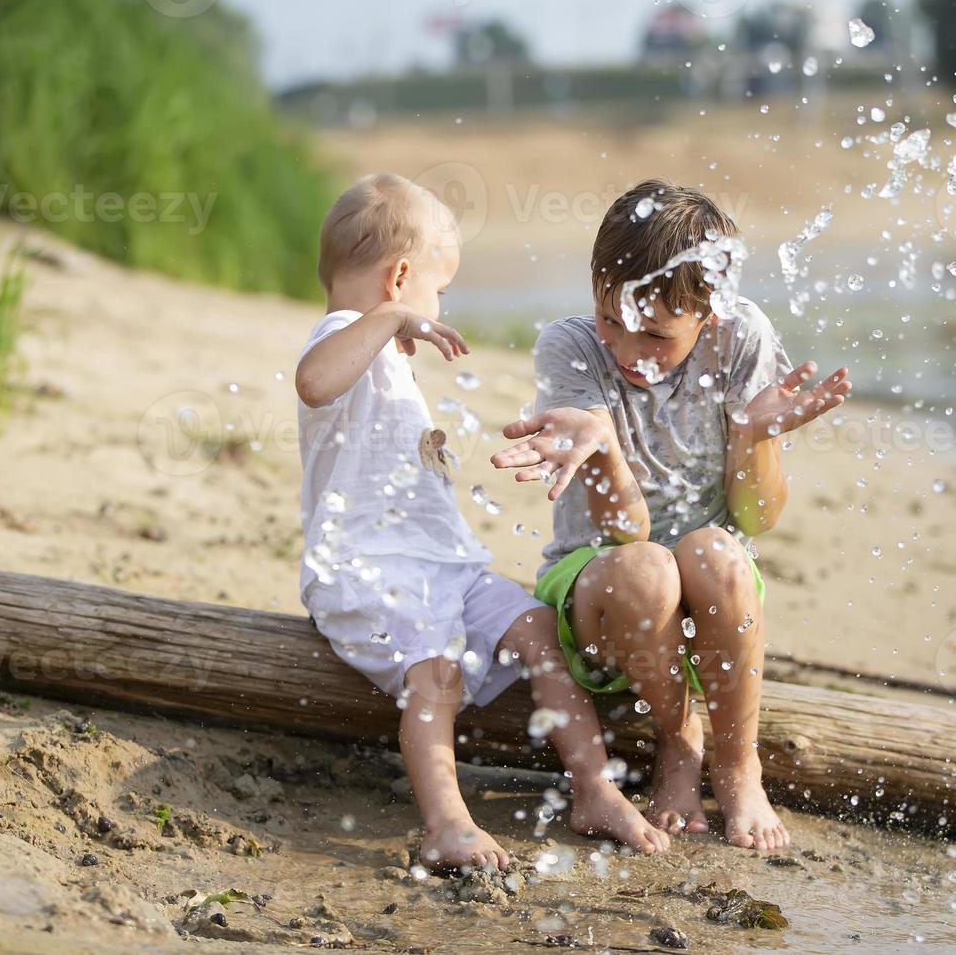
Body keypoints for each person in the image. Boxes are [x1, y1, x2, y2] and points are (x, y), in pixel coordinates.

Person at [296, 173, 670, 872]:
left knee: (538, 629)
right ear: (399, 277)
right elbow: (314, 381)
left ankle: (593, 787)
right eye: (436, 292)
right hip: (366, 570)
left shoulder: (376, 349)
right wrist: (387, 320)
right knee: (433, 674)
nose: (437, 307)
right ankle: (448, 823)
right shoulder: (345, 332)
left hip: (444, 567)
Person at [491, 179, 851, 852]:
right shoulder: (570, 348)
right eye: (611, 320)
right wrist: (605, 456)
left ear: (709, 316)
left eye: (655, 335)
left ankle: (738, 764)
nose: (627, 351)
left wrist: (754, 434)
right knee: (650, 567)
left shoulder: (742, 340)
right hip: (600, 586)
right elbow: (626, 534)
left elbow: (758, 516)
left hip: (711, 594)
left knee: (717, 549)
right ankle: (679, 741)